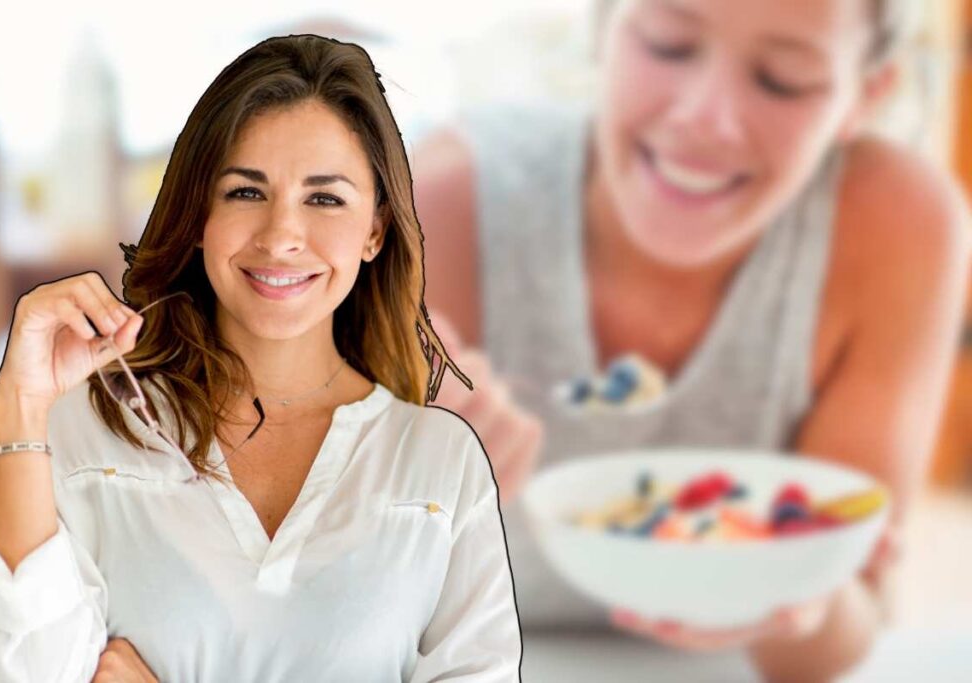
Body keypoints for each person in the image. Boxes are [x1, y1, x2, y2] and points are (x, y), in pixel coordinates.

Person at [413, 0, 970, 680]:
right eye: (668, 45)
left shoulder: (899, 227)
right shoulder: (440, 202)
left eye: (784, 80)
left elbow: (846, 629)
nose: (707, 118)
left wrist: (810, 593)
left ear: (866, 94)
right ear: (603, 30)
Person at [0, 34, 520, 682]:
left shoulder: (442, 464)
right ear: (200, 214)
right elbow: (21, 672)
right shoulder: (91, 429)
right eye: (246, 192)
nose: (281, 236)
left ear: (375, 229)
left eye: (325, 198)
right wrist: (20, 407)